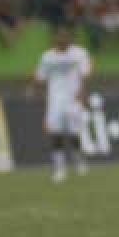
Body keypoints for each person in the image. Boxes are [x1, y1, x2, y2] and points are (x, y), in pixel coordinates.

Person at [29, 25, 92, 183]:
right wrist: (33, 89)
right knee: (55, 134)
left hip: (73, 99)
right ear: (55, 40)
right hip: (55, 100)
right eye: (60, 37)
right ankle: (59, 168)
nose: (63, 40)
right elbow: (40, 77)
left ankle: (78, 161)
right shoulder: (47, 57)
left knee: (74, 133)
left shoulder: (79, 53)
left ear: (70, 39)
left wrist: (83, 93)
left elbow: (86, 74)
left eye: (66, 37)